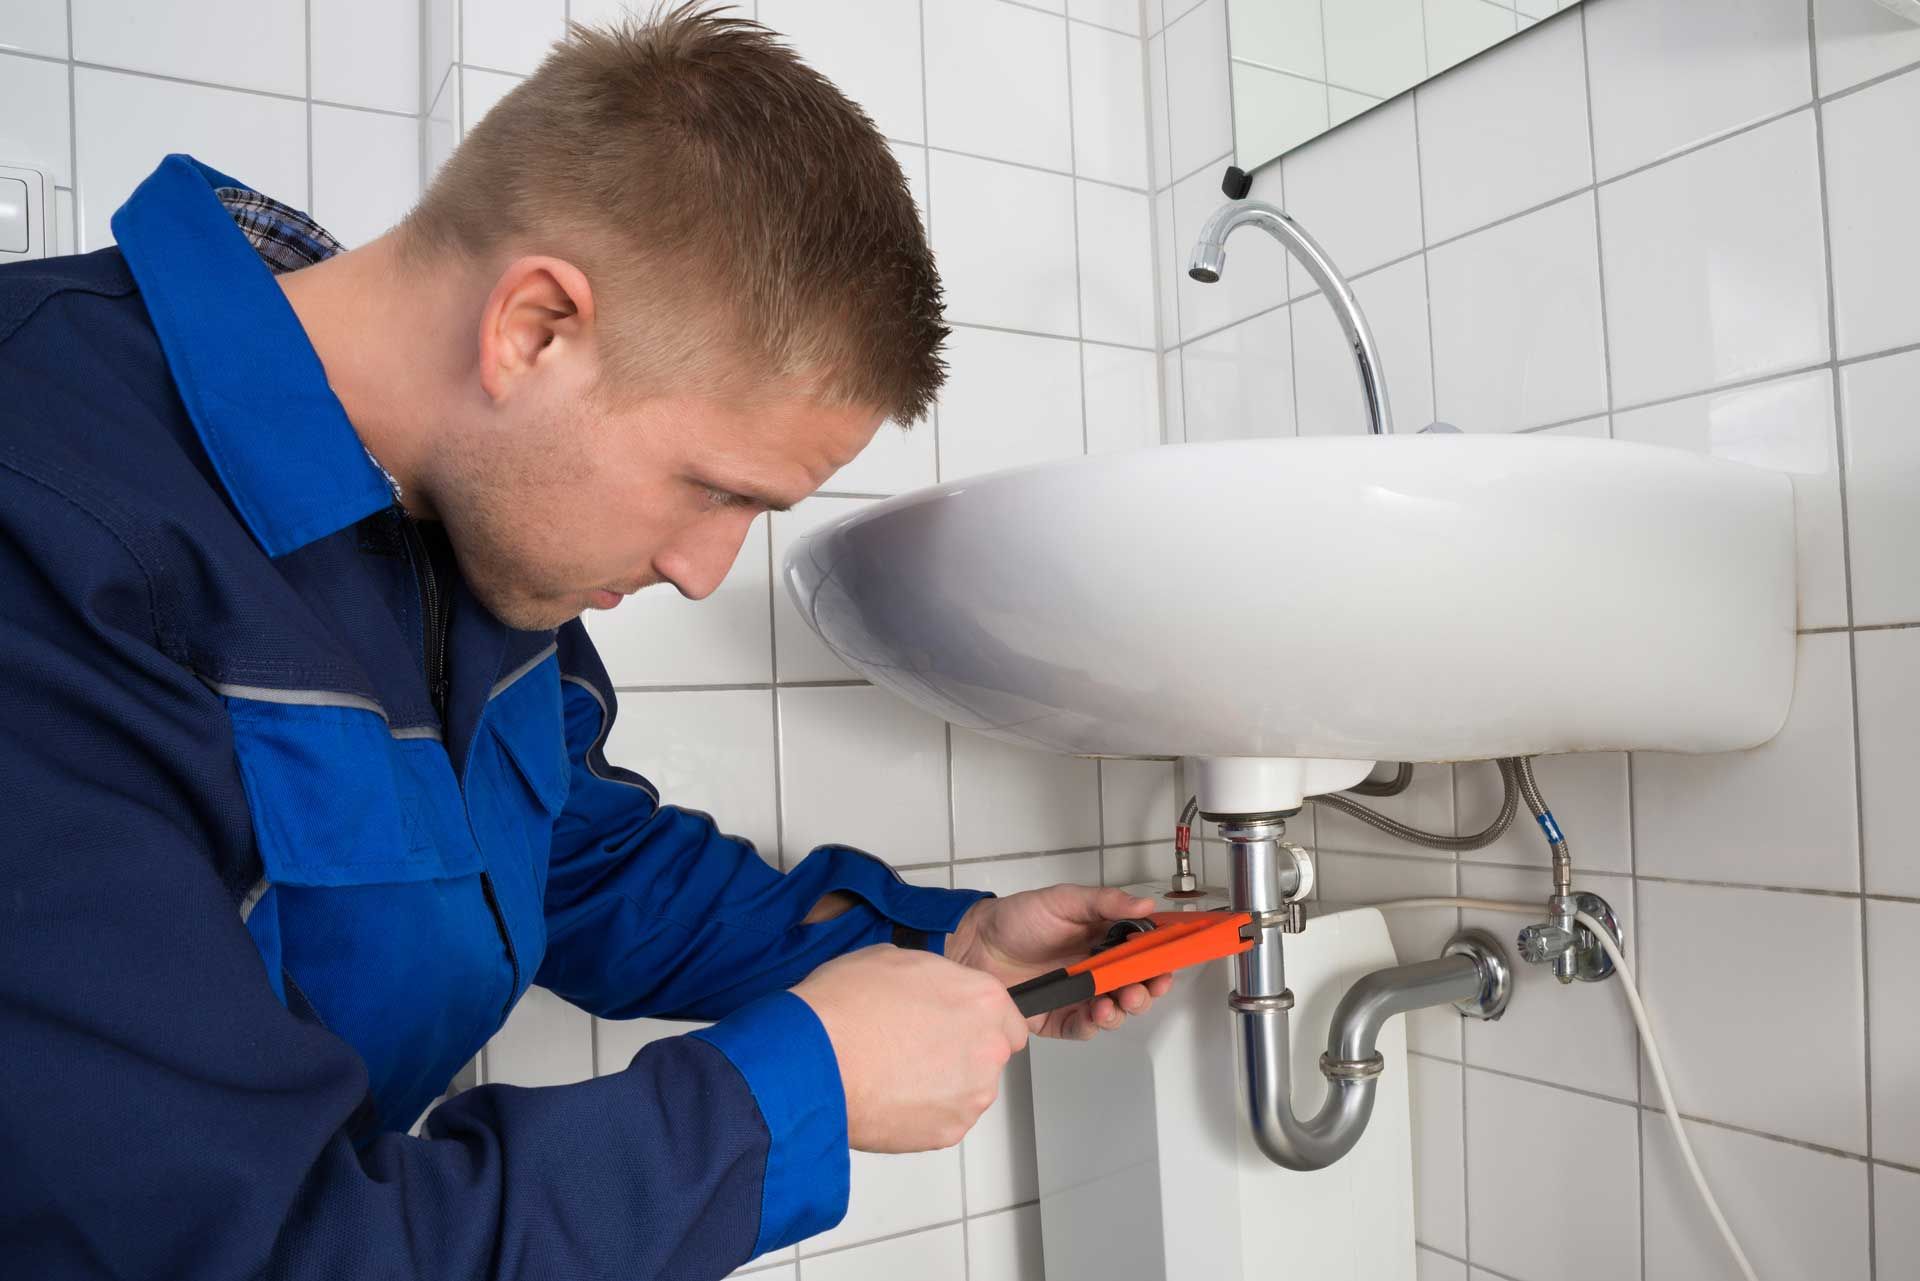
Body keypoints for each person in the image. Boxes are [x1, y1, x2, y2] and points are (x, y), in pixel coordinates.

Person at [0, 7, 1175, 1279]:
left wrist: (935, 945)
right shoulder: (48, 520)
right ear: (534, 329)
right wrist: (790, 1095)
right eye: (713, 488)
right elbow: (234, 1253)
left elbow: (567, 857)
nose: (701, 565)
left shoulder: (449, 511)